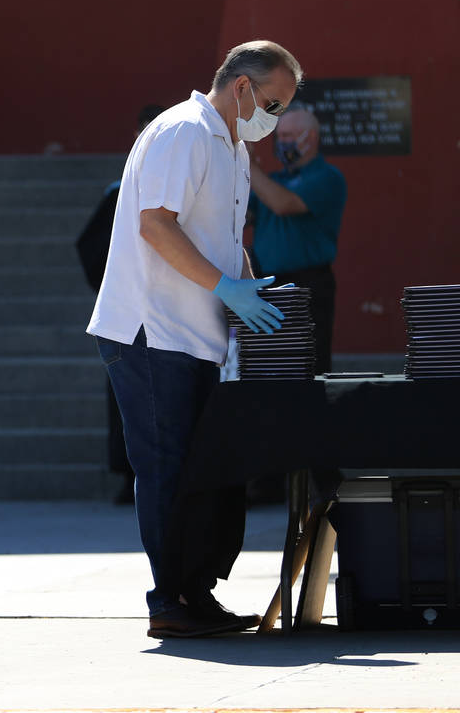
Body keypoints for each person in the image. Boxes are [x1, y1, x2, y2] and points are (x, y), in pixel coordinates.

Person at [87, 40, 302, 639]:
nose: (274, 117)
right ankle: (169, 600)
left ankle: (194, 592)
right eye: (273, 102)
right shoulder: (183, 130)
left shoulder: (230, 145)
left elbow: (220, 239)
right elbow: (155, 224)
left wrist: (250, 286)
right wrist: (227, 289)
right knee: (168, 470)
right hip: (151, 330)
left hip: (198, 334)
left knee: (204, 469)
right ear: (241, 87)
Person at [76, 104, 163, 505]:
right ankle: (128, 474)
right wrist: (115, 285)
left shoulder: (179, 183)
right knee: (126, 390)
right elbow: (89, 247)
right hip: (129, 310)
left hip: (172, 307)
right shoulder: (119, 193)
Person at [248, 104, 347, 374]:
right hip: (266, 285)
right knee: (267, 365)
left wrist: (250, 166)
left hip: (308, 286)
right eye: (280, 137)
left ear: (311, 137)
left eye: (290, 135)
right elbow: (242, 215)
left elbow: (283, 204)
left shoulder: (328, 177)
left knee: (307, 364)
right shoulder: (274, 179)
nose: (283, 143)